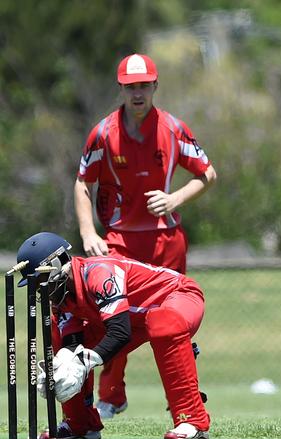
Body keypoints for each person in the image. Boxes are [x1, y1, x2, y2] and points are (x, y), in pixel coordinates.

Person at [74, 53, 217, 419]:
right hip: (119, 240)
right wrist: (89, 231)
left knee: (172, 322)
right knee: (113, 320)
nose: (137, 93)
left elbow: (207, 174)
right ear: (121, 89)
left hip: (166, 240)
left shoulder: (173, 128)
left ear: (155, 86)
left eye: (143, 86)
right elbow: (83, 182)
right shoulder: (103, 133)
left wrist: (175, 198)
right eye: (130, 87)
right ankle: (111, 395)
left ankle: (182, 404)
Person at [16, 231, 210, 439]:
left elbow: (120, 333)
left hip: (178, 296)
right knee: (61, 339)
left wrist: (83, 363)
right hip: (133, 318)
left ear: (56, 265)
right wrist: (63, 367)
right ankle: (79, 424)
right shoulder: (62, 298)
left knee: (162, 321)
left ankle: (192, 420)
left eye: (40, 280)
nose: (40, 289)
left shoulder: (100, 272)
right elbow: (73, 343)